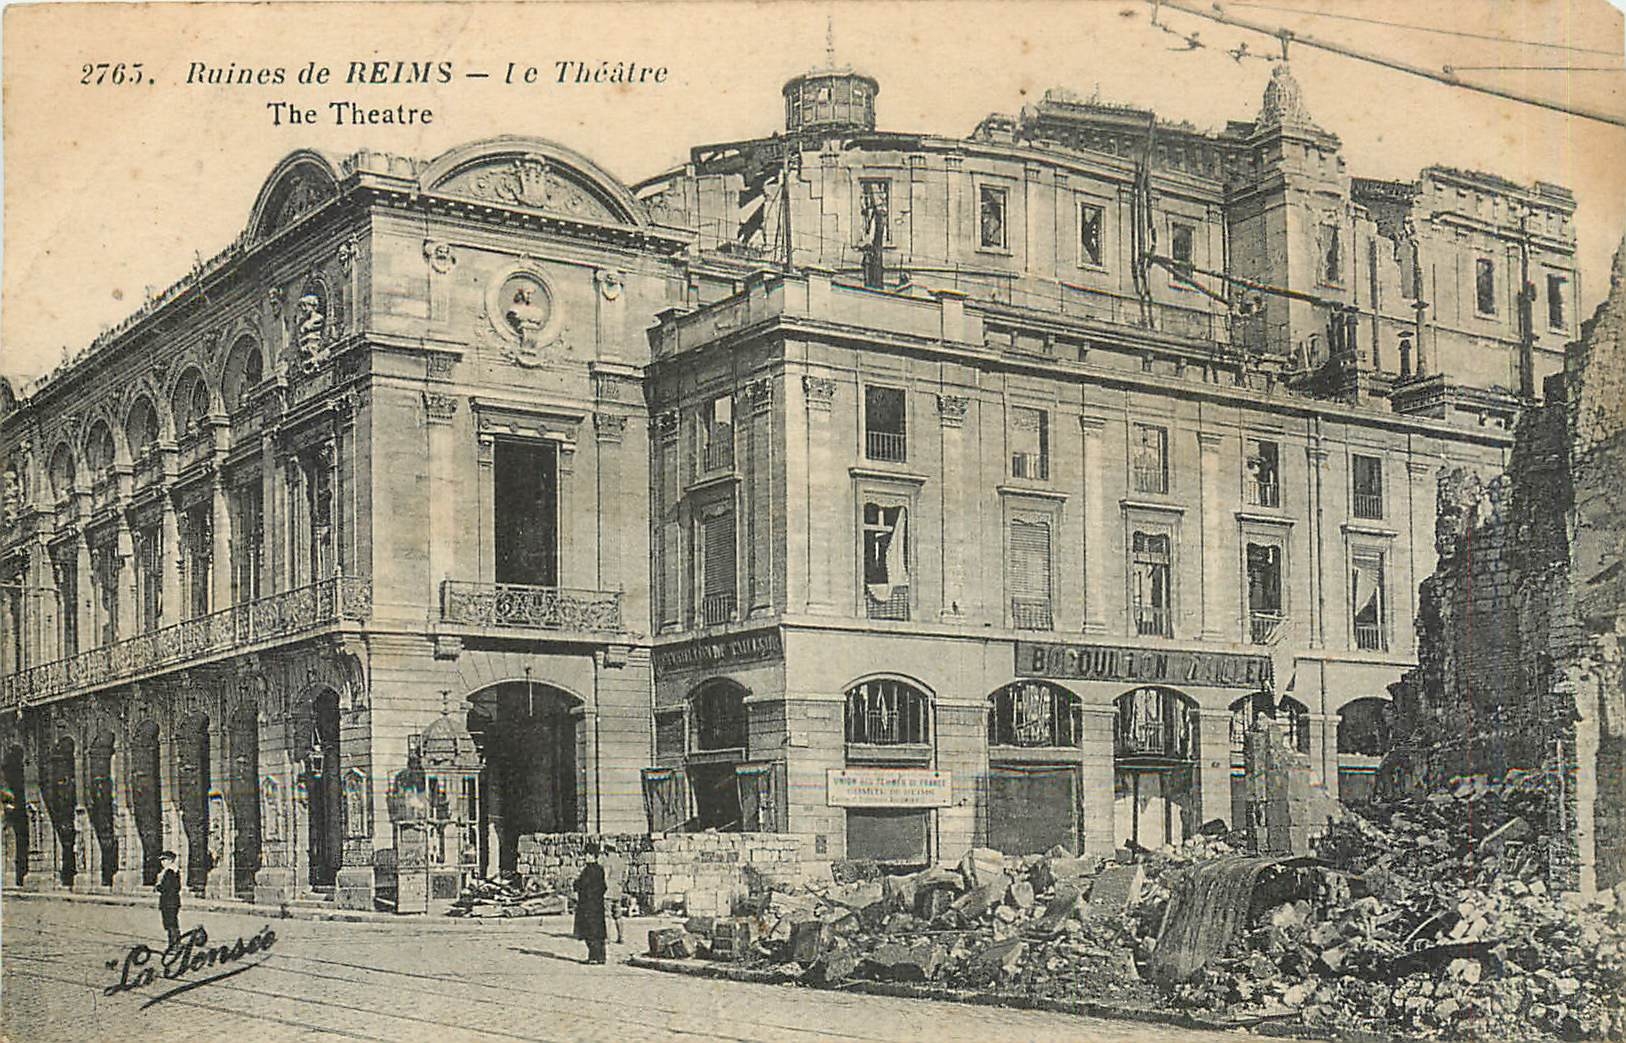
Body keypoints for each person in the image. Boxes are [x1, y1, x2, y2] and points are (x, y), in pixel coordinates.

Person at [572, 843, 608, 965]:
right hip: (598, 904)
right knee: (598, 932)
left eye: (588, 854)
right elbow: (603, 887)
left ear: (593, 855)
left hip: (587, 905)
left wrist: (576, 883)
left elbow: (582, 886)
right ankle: (601, 957)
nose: (586, 856)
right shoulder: (600, 869)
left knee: (589, 932)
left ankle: (593, 957)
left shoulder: (588, 870)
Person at [600, 839, 628, 945]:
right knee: (618, 915)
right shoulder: (621, 861)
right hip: (618, 891)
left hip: (608, 892)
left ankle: (607, 938)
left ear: (607, 850)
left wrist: (604, 888)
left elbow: (605, 877)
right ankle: (621, 937)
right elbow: (625, 878)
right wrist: (620, 886)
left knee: (607, 915)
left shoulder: (607, 861)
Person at [155, 850, 182, 948]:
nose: (162, 862)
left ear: (170, 860)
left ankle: (174, 945)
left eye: (164, 860)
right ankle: (175, 943)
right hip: (173, 901)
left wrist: (158, 887)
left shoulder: (170, 872)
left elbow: (167, 887)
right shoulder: (173, 871)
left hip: (169, 901)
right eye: (162, 860)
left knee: (170, 923)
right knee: (173, 923)